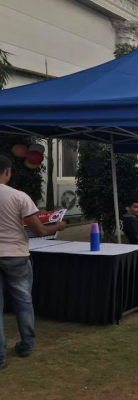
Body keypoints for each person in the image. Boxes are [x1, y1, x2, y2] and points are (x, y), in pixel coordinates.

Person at [0, 155, 67, 370]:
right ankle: (27, 345)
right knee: (23, 302)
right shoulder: (19, 196)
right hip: (16, 255)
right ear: (7, 172)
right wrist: (57, 226)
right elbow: (39, 230)